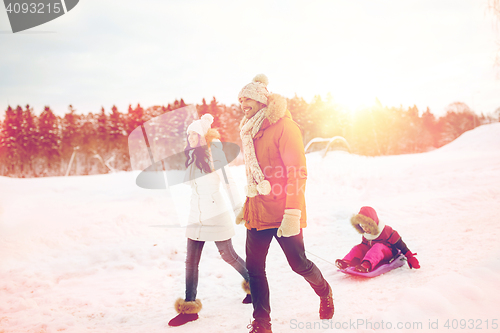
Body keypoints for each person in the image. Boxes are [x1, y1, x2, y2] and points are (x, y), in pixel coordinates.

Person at [234, 74, 334, 333]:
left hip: (282, 211)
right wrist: (246, 204)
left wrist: (293, 212)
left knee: (298, 264)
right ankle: (262, 324)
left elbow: (297, 172)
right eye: (240, 99)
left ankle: (324, 292)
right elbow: (254, 173)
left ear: (261, 100)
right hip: (257, 212)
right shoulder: (249, 131)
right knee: (255, 269)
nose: (243, 103)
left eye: (248, 98)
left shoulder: (285, 127)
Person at [168, 114, 251, 327]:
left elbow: (229, 182)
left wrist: (238, 210)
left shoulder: (215, 155)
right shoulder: (193, 159)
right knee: (190, 262)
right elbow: (191, 186)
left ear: (203, 135)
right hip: (196, 216)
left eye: (195, 134)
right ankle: (189, 308)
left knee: (228, 255)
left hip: (216, 214)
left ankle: (255, 286)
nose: (191, 138)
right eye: (189, 135)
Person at [335, 206, 420, 273]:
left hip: (388, 252)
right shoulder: (366, 233)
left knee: (377, 247)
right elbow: (363, 247)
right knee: (358, 247)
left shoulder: (386, 230)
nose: (364, 229)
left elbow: (400, 244)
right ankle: (347, 262)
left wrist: (410, 256)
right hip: (373, 253)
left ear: (372, 223)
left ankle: (366, 265)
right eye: (362, 226)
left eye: (366, 226)